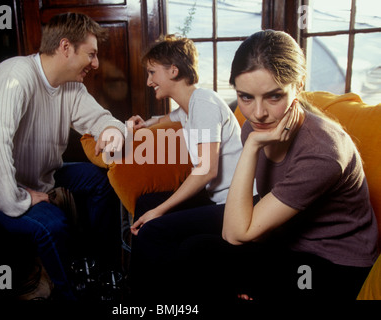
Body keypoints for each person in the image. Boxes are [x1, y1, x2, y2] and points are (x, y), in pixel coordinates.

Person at [0, 12, 125, 300]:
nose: (95, 64)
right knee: (53, 225)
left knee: (100, 180)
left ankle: (99, 266)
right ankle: (74, 294)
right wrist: (17, 197)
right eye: (91, 54)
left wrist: (112, 131)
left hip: (38, 171)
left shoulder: (70, 86)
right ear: (65, 47)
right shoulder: (16, 75)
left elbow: (102, 119)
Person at [216, 29, 378, 301]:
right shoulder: (257, 129)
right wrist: (253, 144)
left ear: (299, 85)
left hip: (336, 265)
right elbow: (246, 229)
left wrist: (253, 146)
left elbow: (236, 233)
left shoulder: (322, 150)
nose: (258, 113)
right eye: (246, 97)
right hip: (289, 241)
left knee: (215, 265)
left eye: (274, 96)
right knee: (194, 251)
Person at [126, 35, 248, 300]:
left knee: (153, 227)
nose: (149, 81)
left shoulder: (203, 102)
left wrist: (161, 211)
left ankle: (142, 300)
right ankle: (153, 288)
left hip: (240, 205)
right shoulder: (190, 105)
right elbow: (170, 117)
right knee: (146, 202)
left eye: (152, 72)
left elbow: (206, 171)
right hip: (218, 199)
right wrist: (146, 123)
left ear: (173, 70)